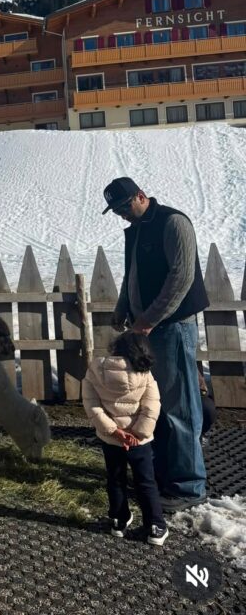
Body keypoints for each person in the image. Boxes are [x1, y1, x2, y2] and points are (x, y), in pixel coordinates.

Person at [102, 177, 209, 513]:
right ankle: (165, 477)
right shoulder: (137, 228)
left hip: (173, 329)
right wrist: (123, 308)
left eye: (123, 206)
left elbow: (181, 279)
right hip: (148, 330)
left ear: (141, 195)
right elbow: (131, 274)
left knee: (180, 409)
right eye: (115, 210)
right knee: (156, 406)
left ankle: (188, 487)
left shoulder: (173, 222)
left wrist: (146, 320)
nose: (120, 214)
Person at [82, 331, 168, 545]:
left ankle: (119, 520)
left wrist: (113, 431)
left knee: (115, 478)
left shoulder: (95, 369)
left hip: (112, 440)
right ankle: (155, 526)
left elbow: (91, 404)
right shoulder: (144, 373)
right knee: (145, 481)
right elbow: (152, 406)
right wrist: (138, 433)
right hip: (139, 441)